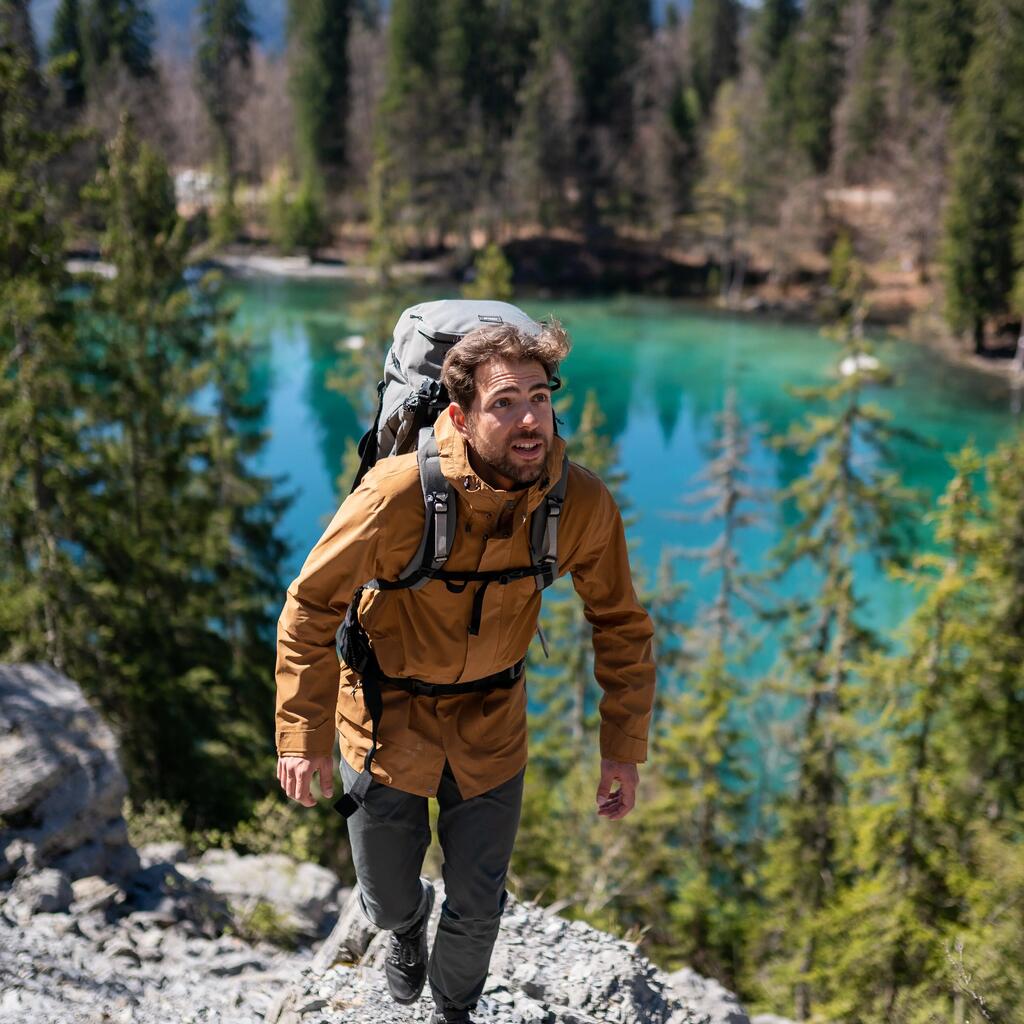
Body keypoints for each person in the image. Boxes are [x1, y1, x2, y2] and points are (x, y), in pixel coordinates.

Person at [275, 318, 656, 1024]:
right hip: (386, 723)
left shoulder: (577, 504)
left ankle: (454, 1011)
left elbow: (622, 626)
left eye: (540, 398)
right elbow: (309, 607)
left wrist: (623, 751)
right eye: (505, 402)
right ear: (460, 414)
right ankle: (403, 927)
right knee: (386, 896)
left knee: (479, 905)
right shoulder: (396, 497)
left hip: (492, 728)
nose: (529, 419)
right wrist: (301, 736)